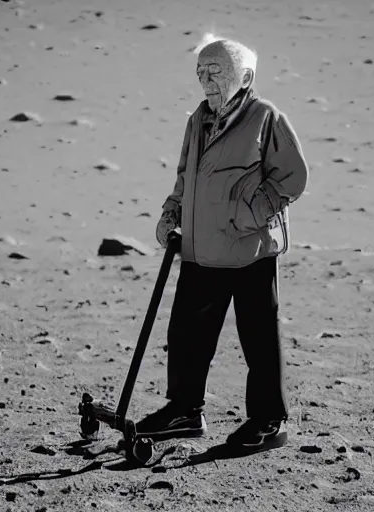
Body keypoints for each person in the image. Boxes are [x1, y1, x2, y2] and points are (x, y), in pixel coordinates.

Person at [135, 35, 308, 451]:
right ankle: (184, 411)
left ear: (245, 77)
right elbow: (184, 176)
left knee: (259, 339)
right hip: (200, 249)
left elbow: (293, 176)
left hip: (250, 252)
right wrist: (172, 212)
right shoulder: (197, 120)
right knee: (186, 335)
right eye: (201, 72)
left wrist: (251, 213)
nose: (205, 81)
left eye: (216, 72)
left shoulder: (266, 117)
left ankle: (269, 421)